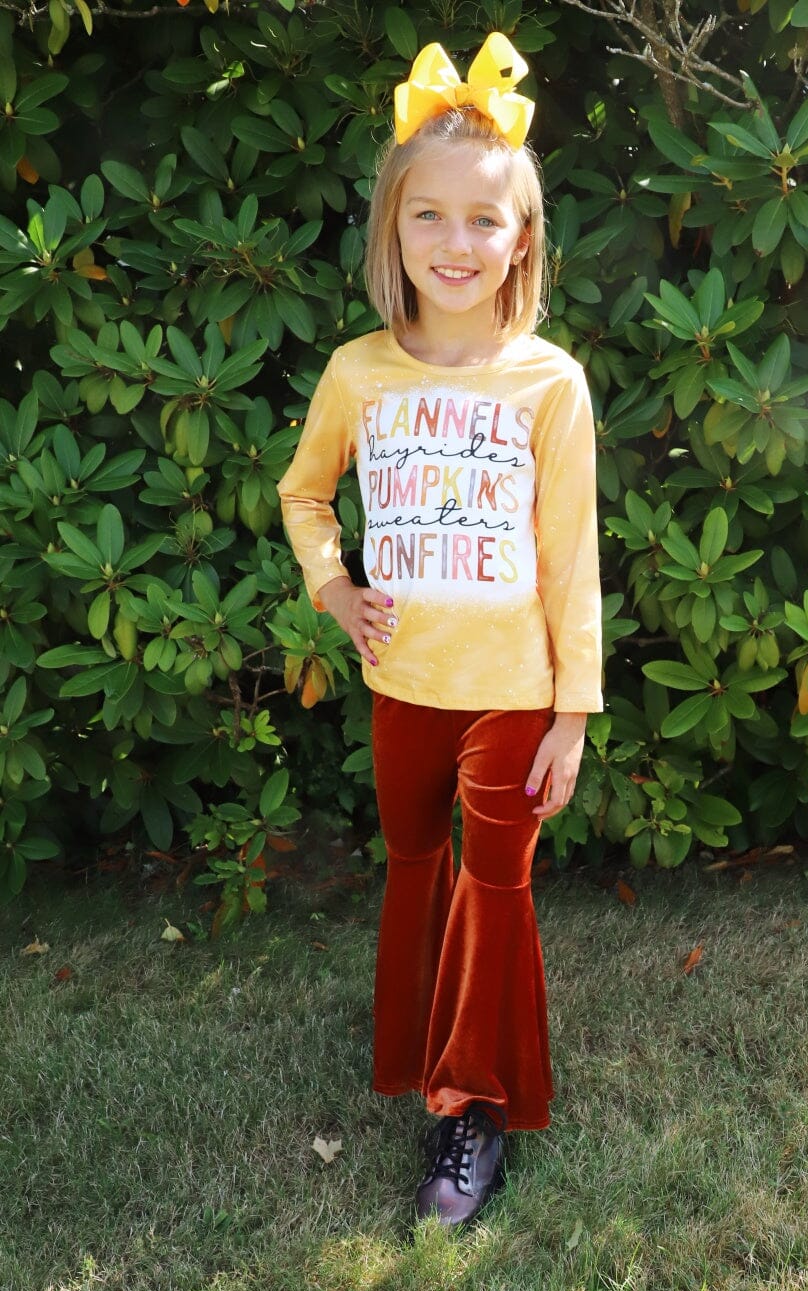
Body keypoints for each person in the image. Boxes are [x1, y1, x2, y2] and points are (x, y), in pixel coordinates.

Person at [277, 32, 603, 1227]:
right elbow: (304, 493)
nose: (455, 245)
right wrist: (331, 585)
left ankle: (470, 1111)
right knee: (416, 865)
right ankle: (414, 1046)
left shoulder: (547, 384)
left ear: (520, 239)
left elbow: (572, 557)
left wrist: (572, 710)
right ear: (391, 229)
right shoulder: (358, 374)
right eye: (431, 218)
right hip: (403, 680)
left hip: (513, 685)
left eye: (483, 222)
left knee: (492, 883)